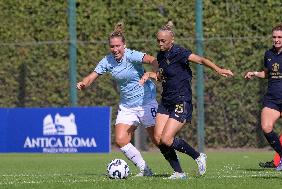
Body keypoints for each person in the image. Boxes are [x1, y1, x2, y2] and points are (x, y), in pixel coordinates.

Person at [140, 21, 234, 179]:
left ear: (172, 40)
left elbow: (201, 60)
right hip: (166, 101)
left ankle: (198, 156)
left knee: (166, 138)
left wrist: (218, 69)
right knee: (158, 139)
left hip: (181, 100)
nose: (160, 43)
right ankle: (179, 172)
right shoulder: (160, 56)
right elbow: (161, 76)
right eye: (158, 40)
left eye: (163, 40)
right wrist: (150, 74)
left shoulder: (180, 52)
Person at [77, 22, 159, 176]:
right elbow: (92, 76)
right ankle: (145, 170)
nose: (115, 49)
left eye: (117, 46)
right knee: (121, 140)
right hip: (127, 106)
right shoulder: (107, 61)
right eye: (112, 46)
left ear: (124, 45)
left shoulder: (131, 55)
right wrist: (84, 83)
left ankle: (184, 165)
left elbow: (152, 60)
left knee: (159, 140)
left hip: (145, 102)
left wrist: (156, 73)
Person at [245, 24, 282, 171]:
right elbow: (267, 74)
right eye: (274, 37)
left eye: (279, 37)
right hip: (272, 99)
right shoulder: (268, 54)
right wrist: (255, 73)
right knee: (266, 127)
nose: (276, 39)